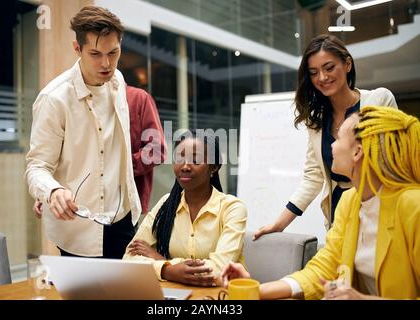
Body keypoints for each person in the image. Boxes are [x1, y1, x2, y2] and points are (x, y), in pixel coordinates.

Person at [221, 106, 420, 300]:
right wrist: (254, 290)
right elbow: (324, 267)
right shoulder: (351, 200)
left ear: (357, 152)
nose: (331, 145)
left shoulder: (413, 206)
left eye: (339, 138)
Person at [254, 35, 398, 240]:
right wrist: (279, 224)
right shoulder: (317, 121)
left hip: (379, 203)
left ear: (347, 64)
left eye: (329, 68)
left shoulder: (379, 100)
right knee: (339, 268)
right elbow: (313, 177)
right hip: (338, 211)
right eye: (313, 72)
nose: (322, 77)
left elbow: (394, 161)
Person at [26, 6, 142, 259]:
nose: (106, 63)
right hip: (79, 227)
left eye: (113, 52)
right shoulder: (54, 99)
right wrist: (52, 191)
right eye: (95, 54)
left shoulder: (118, 81)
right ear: (77, 49)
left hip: (123, 217)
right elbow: (37, 167)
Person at [123, 131, 247, 287]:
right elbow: (129, 258)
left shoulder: (232, 208)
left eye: (196, 159)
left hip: (222, 297)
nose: (185, 166)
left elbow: (219, 269)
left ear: (213, 167)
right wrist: (167, 270)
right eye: (180, 158)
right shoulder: (166, 204)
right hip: (175, 294)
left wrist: (163, 261)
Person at [33, 85, 167, 228]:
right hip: (79, 210)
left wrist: (120, 167)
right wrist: (49, 192)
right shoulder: (78, 102)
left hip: (122, 209)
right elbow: (68, 156)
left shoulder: (138, 98)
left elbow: (157, 150)